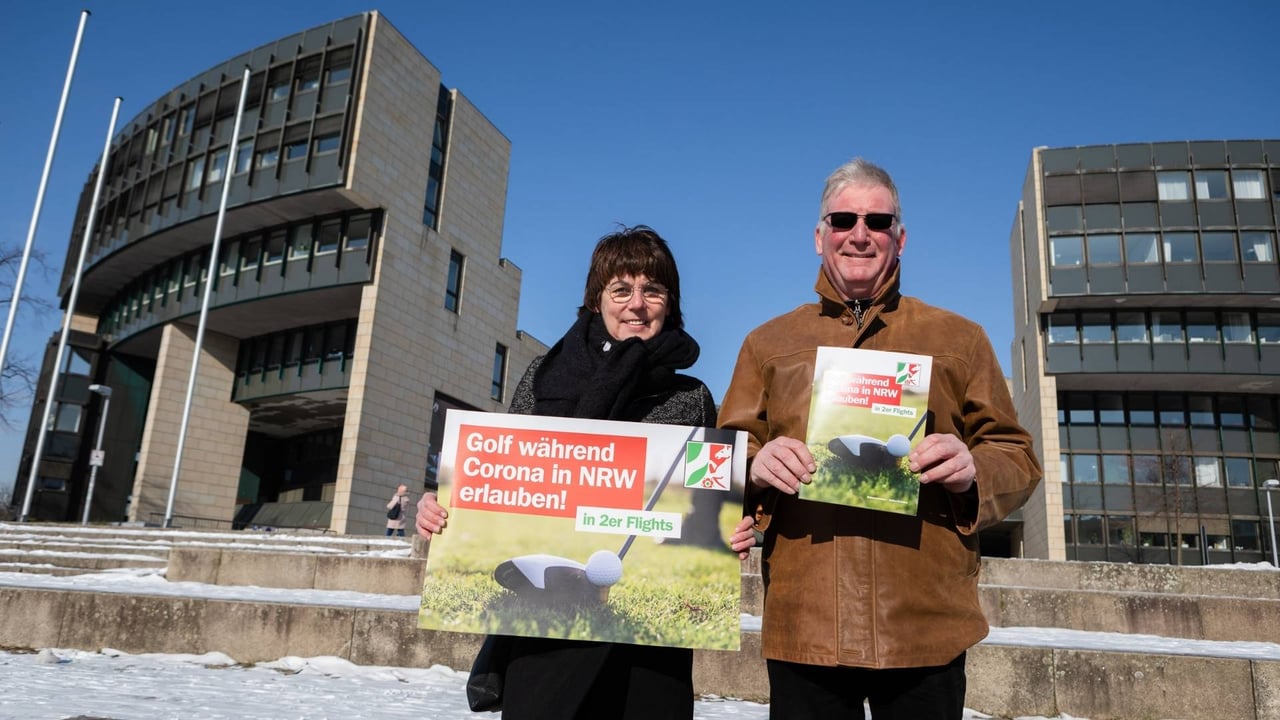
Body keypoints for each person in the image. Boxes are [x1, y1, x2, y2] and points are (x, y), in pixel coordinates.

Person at [717, 158, 1042, 720]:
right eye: (843, 220)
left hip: (925, 627)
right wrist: (753, 464)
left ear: (901, 237)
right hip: (805, 625)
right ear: (820, 236)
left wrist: (973, 472)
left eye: (878, 221)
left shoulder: (960, 339)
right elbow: (724, 455)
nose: (860, 234)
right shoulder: (767, 343)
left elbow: (1016, 454)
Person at [417, 225, 757, 720]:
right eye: (621, 289)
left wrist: (731, 528)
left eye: (652, 290)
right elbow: (500, 484)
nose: (637, 304)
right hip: (545, 640)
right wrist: (444, 508)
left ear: (670, 304)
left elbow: (707, 499)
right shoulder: (542, 377)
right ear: (596, 300)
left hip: (648, 657)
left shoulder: (692, 398)